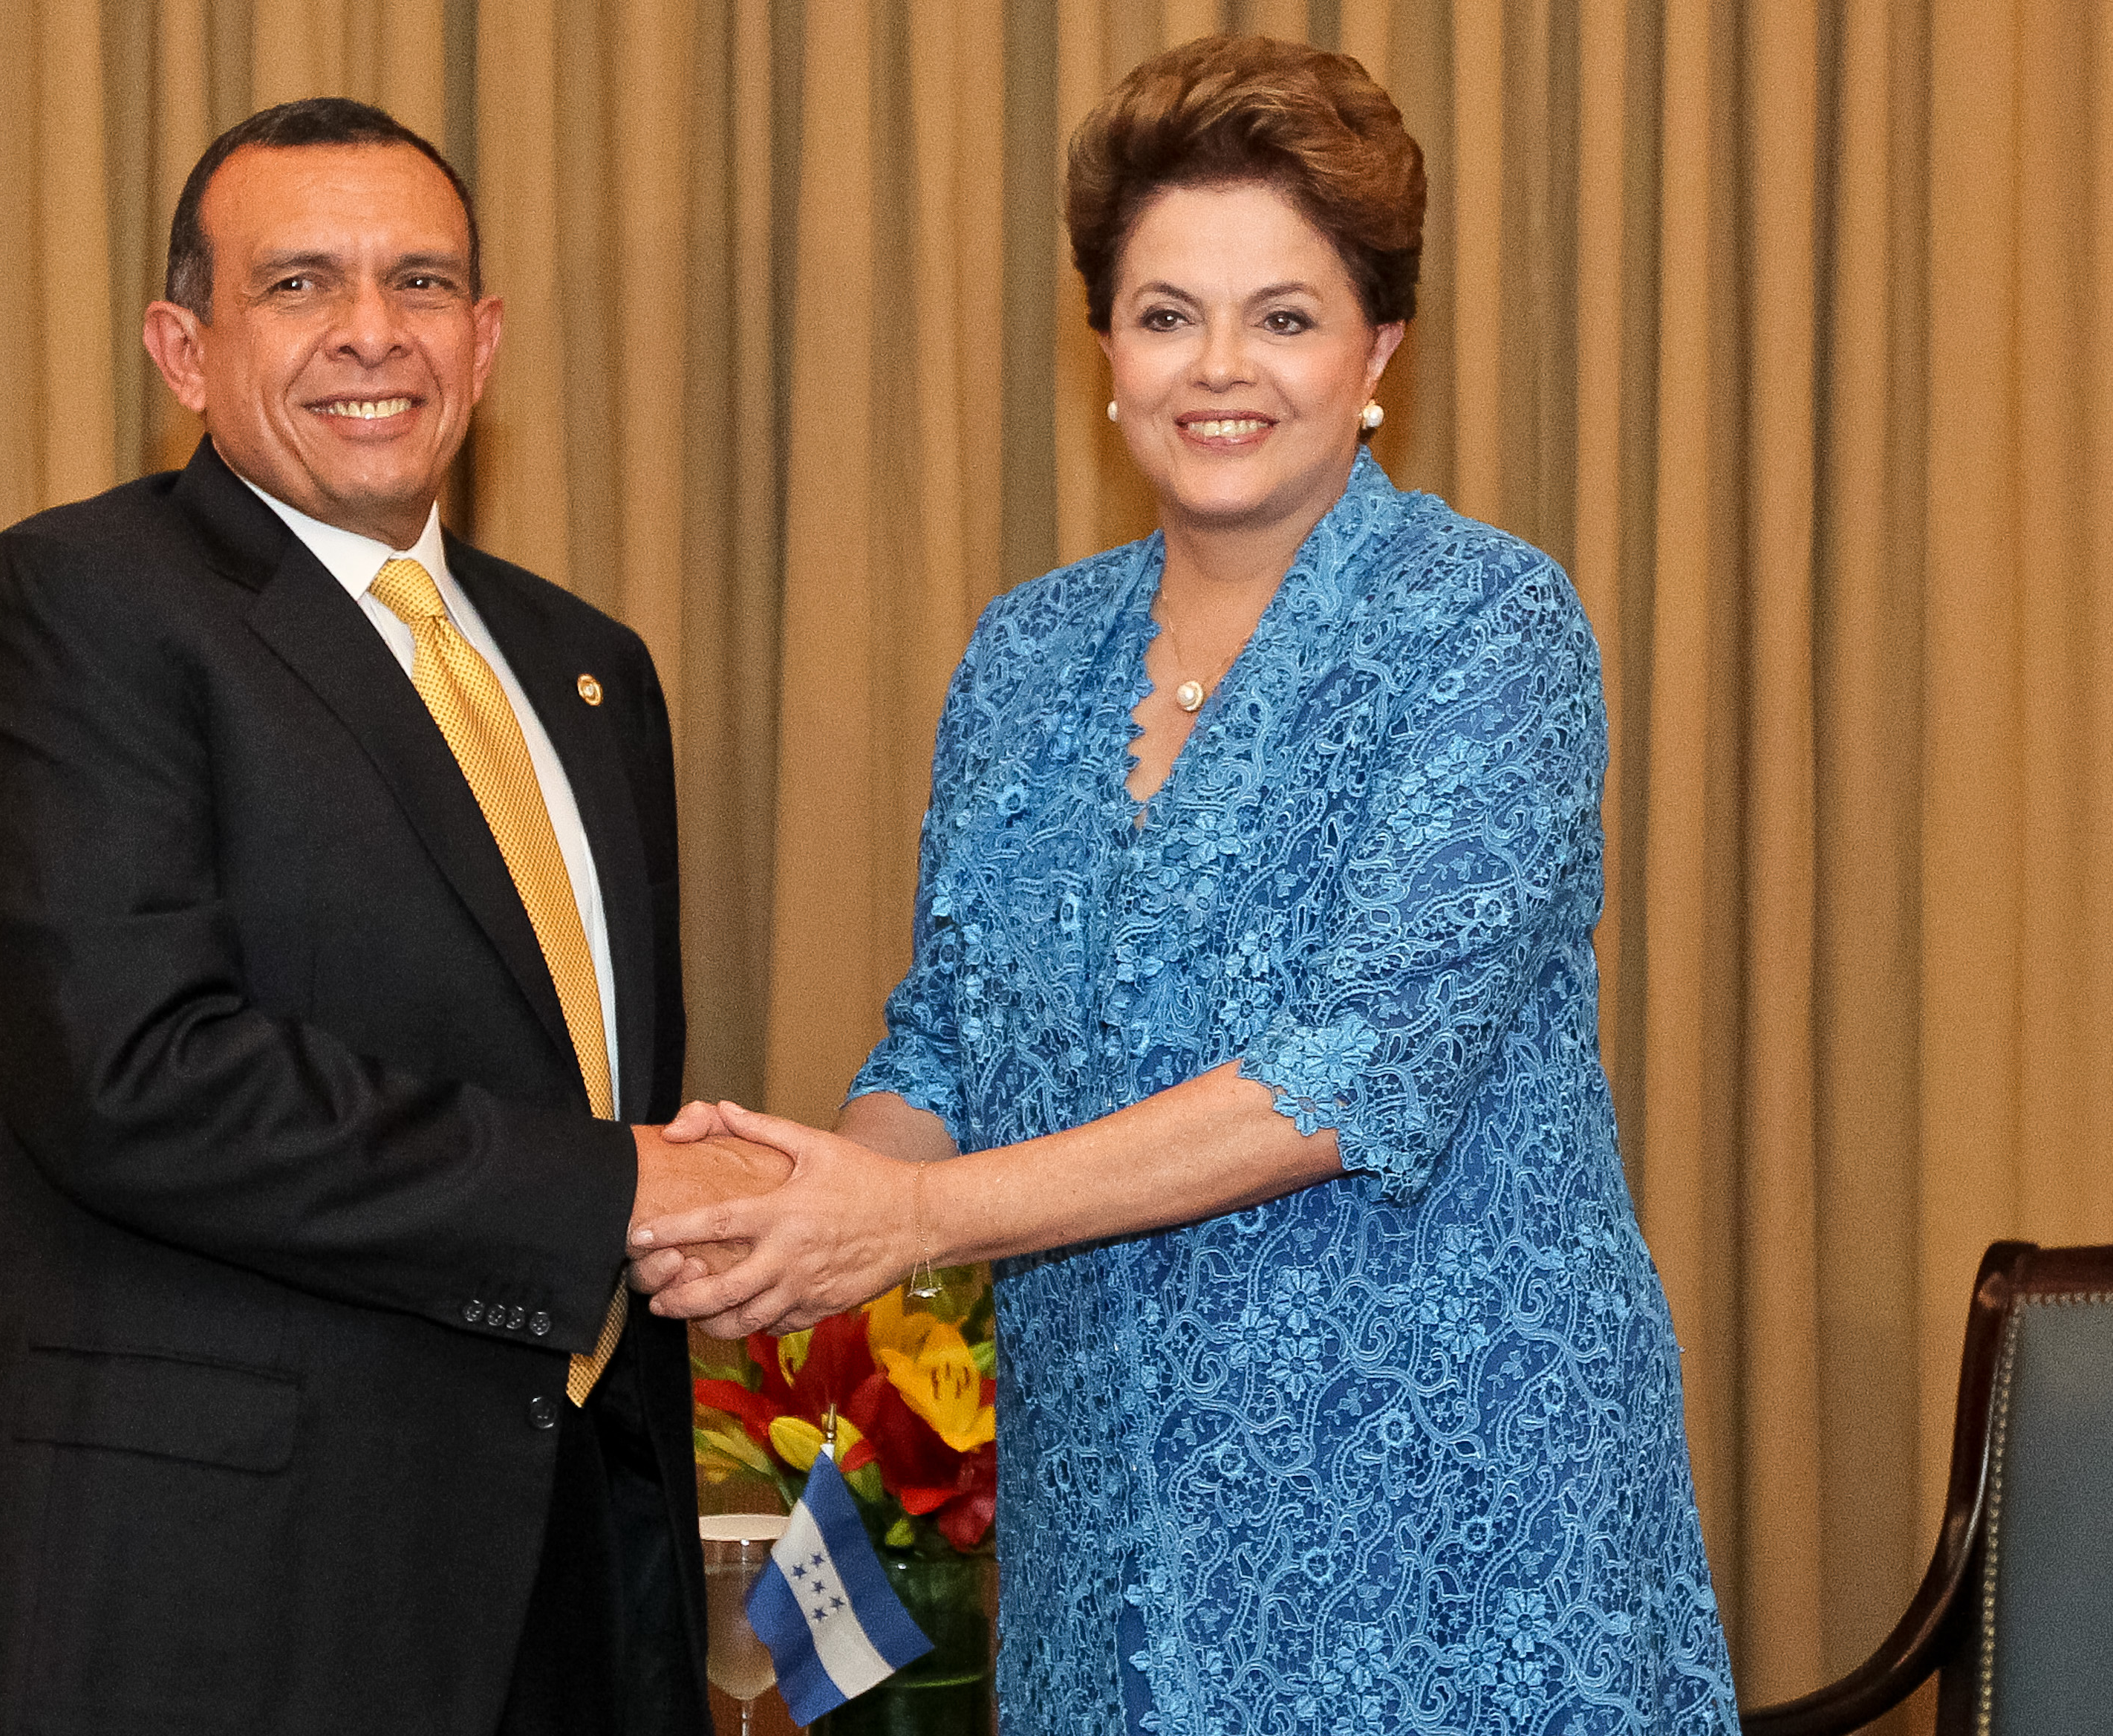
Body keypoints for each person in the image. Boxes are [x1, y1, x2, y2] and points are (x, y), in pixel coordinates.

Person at [630, 36, 1740, 1736]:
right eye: (1166, 315)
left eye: (1283, 316)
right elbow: (948, 1044)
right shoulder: (1023, 654)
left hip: (1442, 1509)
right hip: (1114, 1505)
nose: (1220, 368)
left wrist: (914, 1221)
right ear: (1104, 349)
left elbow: (1353, 1072)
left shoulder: (1486, 626)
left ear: (1380, 346)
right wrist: (807, 1196)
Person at [0, 98, 784, 1736]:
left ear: (488, 334)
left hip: (568, 1586)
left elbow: (598, 1079)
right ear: (183, 346)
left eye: (423, 282)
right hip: (224, 1603)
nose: (372, 332)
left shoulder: (589, 668)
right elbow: (140, 1077)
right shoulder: (79, 605)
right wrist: (623, 1186)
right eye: (301, 283)